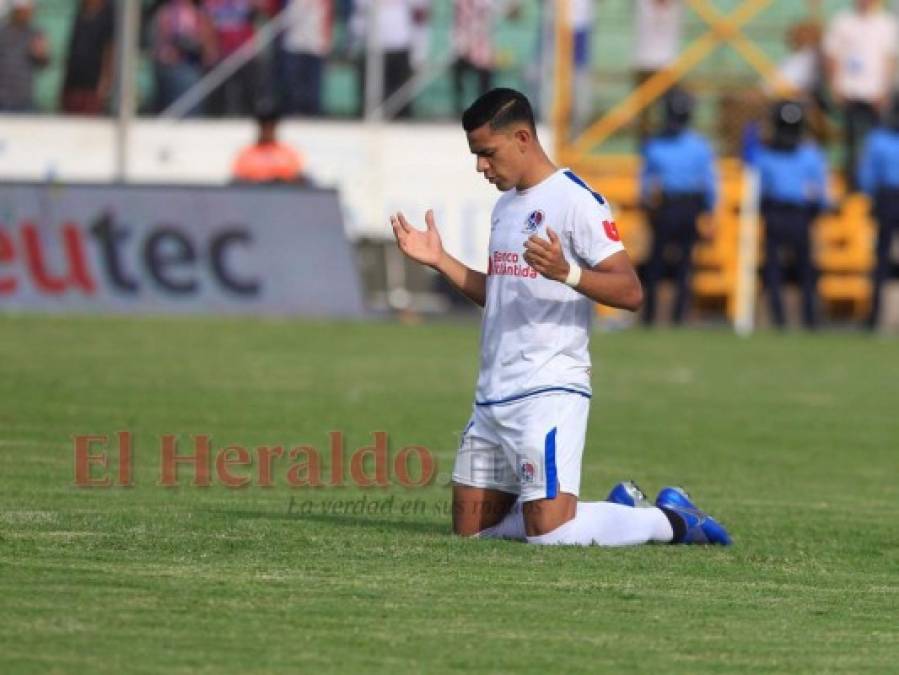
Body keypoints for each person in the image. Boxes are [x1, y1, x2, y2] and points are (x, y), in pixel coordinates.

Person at [389, 88, 731, 546]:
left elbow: (630, 291)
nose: (480, 167)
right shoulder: (506, 206)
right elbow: (501, 294)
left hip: (548, 388)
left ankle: (670, 520)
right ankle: (612, 512)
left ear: (523, 138)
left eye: (487, 154)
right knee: (473, 533)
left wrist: (567, 272)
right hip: (493, 392)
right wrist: (441, 260)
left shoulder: (576, 201)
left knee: (549, 536)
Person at [639, 88, 717, 326]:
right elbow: (710, 181)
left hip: (679, 205)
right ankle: (657, 315)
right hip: (673, 205)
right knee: (666, 264)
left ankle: (670, 316)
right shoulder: (693, 145)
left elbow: (709, 181)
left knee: (675, 264)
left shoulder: (662, 144)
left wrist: (710, 209)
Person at [757, 101, 830, 330]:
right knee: (775, 270)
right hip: (778, 212)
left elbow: (821, 193)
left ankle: (810, 319)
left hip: (798, 214)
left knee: (805, 270)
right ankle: (780, 320)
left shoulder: (809, 155)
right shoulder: (767, 155)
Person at [823, 0, 898, 191]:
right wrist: (835, 87)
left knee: (878, 143)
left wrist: (885, 90)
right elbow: (832, 55)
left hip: (876, 94)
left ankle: (876, 187)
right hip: (850, 92)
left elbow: (890, 58)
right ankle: (853, 187)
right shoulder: (843, 21)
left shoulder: (887, 24)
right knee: (852, 142)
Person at [859, 93, 899, 330]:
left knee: (882, 259)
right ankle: (874, 317)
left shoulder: (878, 139)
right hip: (887, 197)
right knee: (881, 259)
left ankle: (875, 318)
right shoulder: (878, 139)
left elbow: (867, 177)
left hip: (886, 198)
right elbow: (867, 176)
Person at [151, 0, 218, 115]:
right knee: (181, 78)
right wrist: (169, 53)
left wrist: (200, 46)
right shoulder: (166, 14)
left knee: (190, 78)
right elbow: (159, 49)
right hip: (173, 67)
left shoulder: (200, 15)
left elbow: (211, 52)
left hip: (195, 66)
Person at [203, 0, 268, 117]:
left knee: (249, 90)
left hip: (245, 53)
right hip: (222, 52)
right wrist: (210, 49)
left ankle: (251, 117)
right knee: (221, 94)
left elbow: (262, 10)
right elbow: (206, 24)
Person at [633, 0, 683, 143]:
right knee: (645, 117)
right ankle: (645, 149)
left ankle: (669, 146)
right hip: (644, 64)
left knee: (671, 112)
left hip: (667, 66)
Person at [60, 0, 115, 115]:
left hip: (93, 84)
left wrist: (105, 81)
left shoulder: (108, 15)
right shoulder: (80, 12)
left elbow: (110, 49)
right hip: (73, 81)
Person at [280, 0, 333, 116]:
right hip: (295, 44)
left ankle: (312, 112)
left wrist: (326, 41)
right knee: (293, 81)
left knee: (313, 83)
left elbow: (327, 18)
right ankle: (293, 110)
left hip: (315, 45)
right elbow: (287, 19)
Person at [232, 106, 305, 183]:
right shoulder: (246, 155)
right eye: (264, 126)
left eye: (270, 126)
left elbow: (295, 177)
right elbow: (239, 180)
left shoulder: (288, 154)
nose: (267, 130)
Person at [0, 0, 49, 113]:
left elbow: (44, 64)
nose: (25, 14)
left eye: (27, 10)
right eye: (21, 11)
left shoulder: (35, 33)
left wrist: (41, 54)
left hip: (24, 100)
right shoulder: (2, 32)